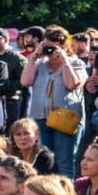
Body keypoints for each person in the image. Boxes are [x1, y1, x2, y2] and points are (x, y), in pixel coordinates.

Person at [21, 26, 89, 177]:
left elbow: (72, 84)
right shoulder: (40, 64)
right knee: (44, 161)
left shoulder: (76, 63)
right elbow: (25, 81)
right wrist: (33, 57)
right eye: (46, 46)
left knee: (64, 160)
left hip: (64, 119)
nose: (49, 51)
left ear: (64, 46)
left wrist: (65, 60)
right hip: (40, 117)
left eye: (53, 47)